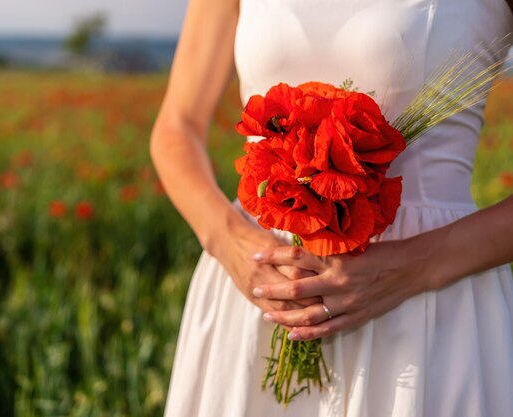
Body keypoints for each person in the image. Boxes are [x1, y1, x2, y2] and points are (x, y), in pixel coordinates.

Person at [150, 0, 513, 416]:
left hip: (426, 306)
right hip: (256, 287)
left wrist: (415, 266)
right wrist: (231, 242)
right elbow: (176, 126)